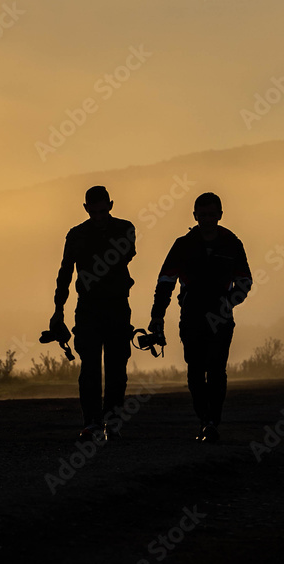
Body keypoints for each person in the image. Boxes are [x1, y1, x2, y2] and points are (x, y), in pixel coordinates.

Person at [148, 192, 252, 443]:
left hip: (222, 318)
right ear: (194, 216)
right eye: (202, 215)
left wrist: (229, 302)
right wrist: (157, 316)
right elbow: (165, 281)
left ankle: (212, 422)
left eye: (211, 214)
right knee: (195, 371)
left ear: (220, 215)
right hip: (192, 316)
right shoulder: (182, 245)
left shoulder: (232, 243)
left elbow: (245, 280)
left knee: (216, 369)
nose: (206, 219)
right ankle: (204, 420)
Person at [50, 186, 136, 440]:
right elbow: (65, 273)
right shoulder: (76, 235)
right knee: (89, 367)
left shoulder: (124, 229)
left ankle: (112, 419)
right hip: (88, 307)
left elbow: (125, 255)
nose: (98, 216)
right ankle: (92, 422)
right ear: (86, 209)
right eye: (94, 212)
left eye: (102, 211)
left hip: (116, 305)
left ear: (110, 205)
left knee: (116, 366)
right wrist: (58, 311)